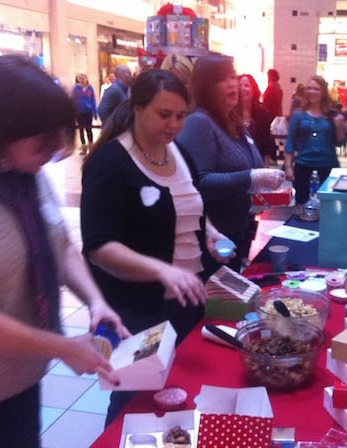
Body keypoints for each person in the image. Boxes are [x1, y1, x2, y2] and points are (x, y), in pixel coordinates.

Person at [81, 68, 233, 425]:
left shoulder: (176, 151)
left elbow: (190, 206)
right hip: (140, 307)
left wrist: (210, 232)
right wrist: (162, 270)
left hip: (187, 300)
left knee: (180, 393)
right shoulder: (110, 164)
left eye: (181, 116)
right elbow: (99, 246)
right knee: (134, 400)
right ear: (136, 108)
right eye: (164, 114)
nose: (174, 125)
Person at [0, 54, 129, 447]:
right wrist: (62, 346)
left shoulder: (24, 177)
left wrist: (95, 301)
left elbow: (62, 245)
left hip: (19, 376)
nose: (53, 151)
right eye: (43, 141)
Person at [176, 52, 285, 273]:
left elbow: (244, 170)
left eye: (232, 76)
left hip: (236, 232)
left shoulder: (233, 122)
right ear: (206, 86)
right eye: (221, 79)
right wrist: (251, 178)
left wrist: (259, 188)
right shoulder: (199, 122)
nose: (231, 84)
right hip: (211, 238)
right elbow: (200, 184)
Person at [284, 75, 345, 216]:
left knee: (329, 209)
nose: (312, 91)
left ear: (323, 91)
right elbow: (290, 141)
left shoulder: (332, 116)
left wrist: (340, 127)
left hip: (328, 167)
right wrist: (288, 167)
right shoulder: (298, 115)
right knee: (301, 207)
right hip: (303, 166)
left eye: (316, 89)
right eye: (309, 88)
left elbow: (340, 142)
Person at [237, 73, 277, 166]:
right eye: (239, 86)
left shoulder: (262, 115)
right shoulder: (229, 114)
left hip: (257, 163)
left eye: (246, 86)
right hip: (236, 166)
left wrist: (265, 168)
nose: (242, 88)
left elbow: (267, 144)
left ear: (254, 90)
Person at [72, 73, 97, 155]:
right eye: (80, 78)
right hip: (79, 112)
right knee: (81, 130)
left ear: (86, 78)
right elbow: (73, 100)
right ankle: (83, 148)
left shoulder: (90, 88)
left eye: (83, 78)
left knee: (89, 129)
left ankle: (91, 146)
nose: (81, 79)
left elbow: (93, 100)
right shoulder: (75, 88)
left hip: (88, 112)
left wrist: (95, 112)